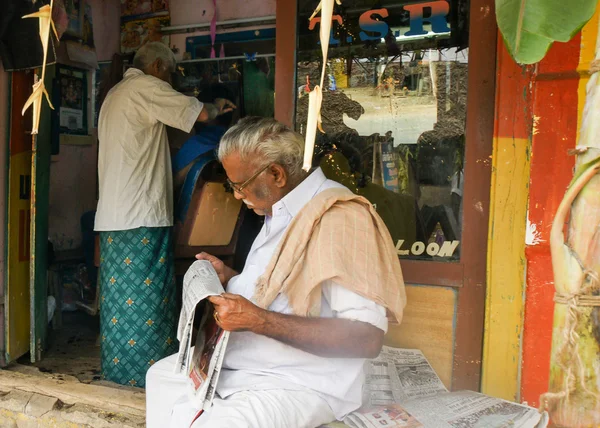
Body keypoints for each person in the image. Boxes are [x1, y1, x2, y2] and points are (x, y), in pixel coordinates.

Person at [146, 117, 407, 427]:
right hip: (243, 368)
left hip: (297, 382)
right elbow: (282, 288)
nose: (237, 195)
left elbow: (366, 338)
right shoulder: (279, 209)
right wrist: (231, 278)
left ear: (276, 174)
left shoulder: (340, 218)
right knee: (160, 377)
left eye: (239, 185)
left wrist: (258, 320)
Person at [94, 41, 235, 388]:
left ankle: (120, 370)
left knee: (118, 300)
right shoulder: (147, 86)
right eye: (171, 73)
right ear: (158, 66)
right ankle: (148, 373)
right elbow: (198, 114)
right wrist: (218, 107)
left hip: (113, 215)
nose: (170, 81)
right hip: (140, 213)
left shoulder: (116, 95)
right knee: (148, 296)